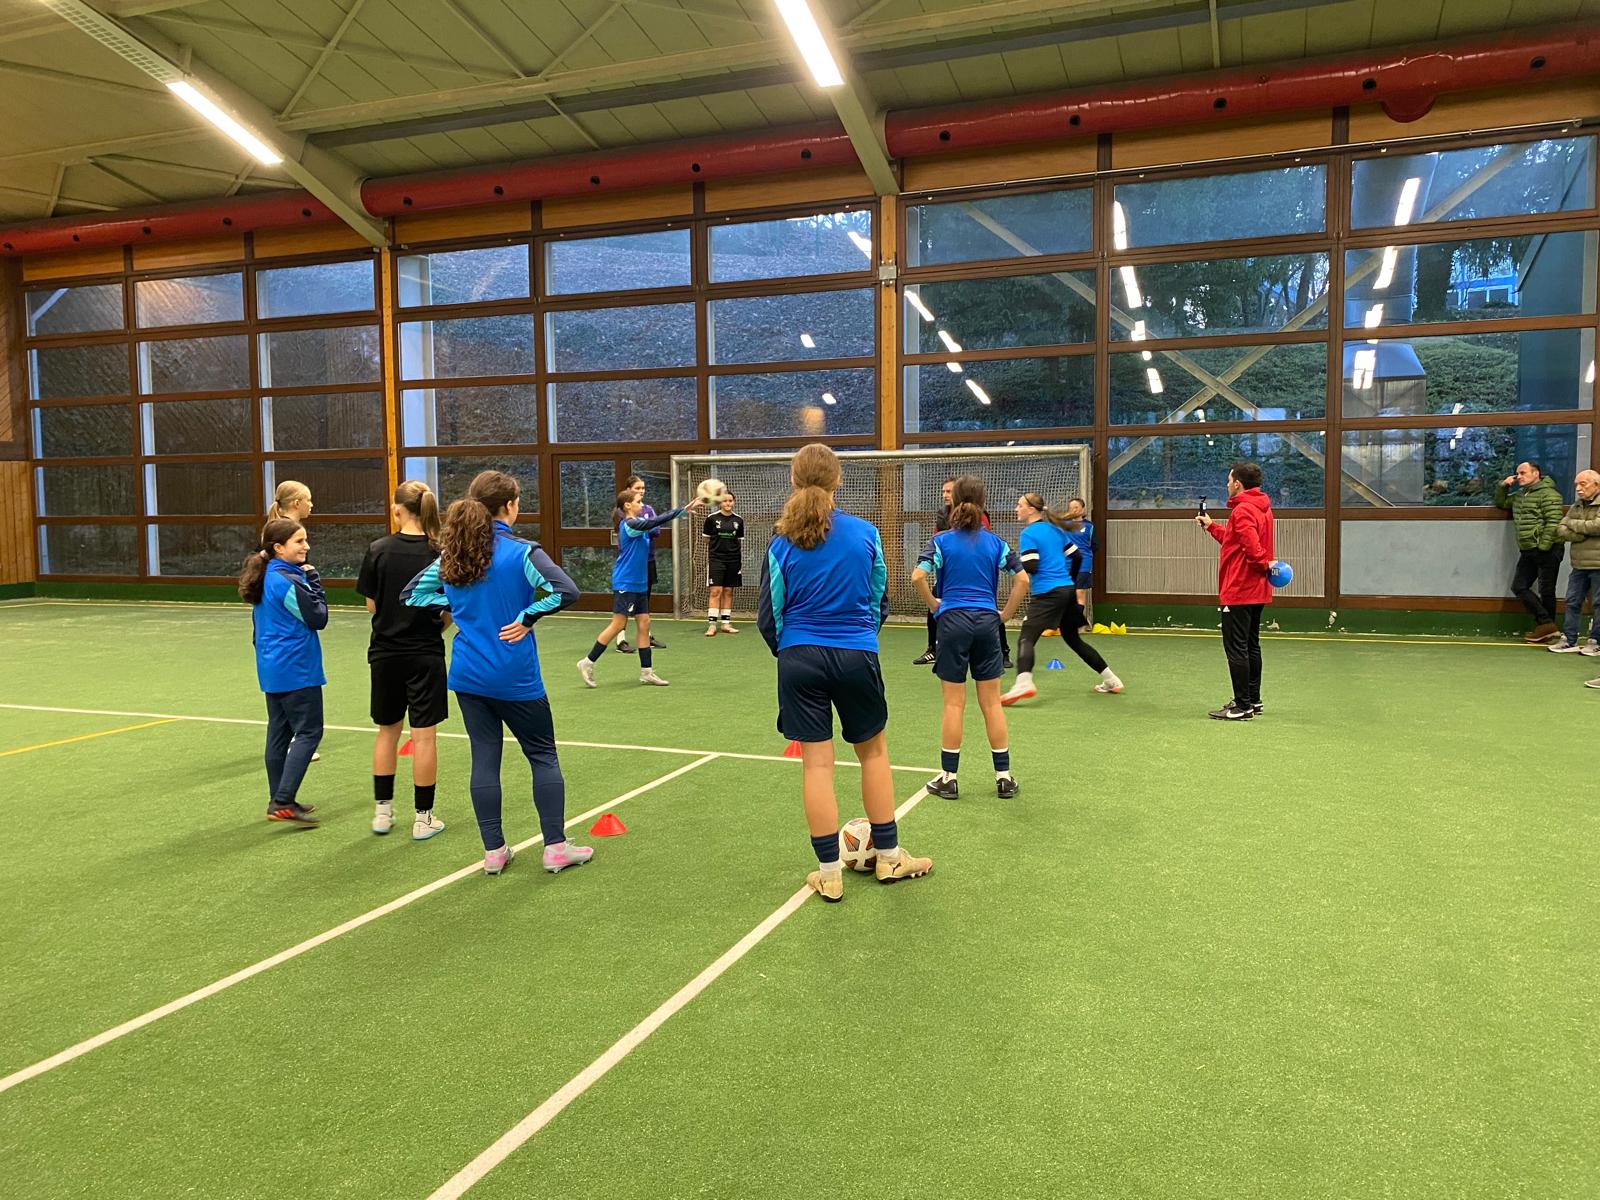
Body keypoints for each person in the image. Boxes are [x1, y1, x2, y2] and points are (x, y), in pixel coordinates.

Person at [758, 443, 931, 903]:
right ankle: (890, 857)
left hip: (799, 658)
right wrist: (860, 640)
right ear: (838, 481)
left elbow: (769, 615)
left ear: (794, 480)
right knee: (873, 755)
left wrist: (790, 654)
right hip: (856, 654)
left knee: (817, 764)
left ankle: (829, 875)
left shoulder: (779, 542)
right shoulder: (866, 534)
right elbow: (879, 600)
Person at [402, 471, 589, 877]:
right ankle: (555, 848)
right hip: (515, 676)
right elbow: (566, 591)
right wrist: (527, 616)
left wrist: (457, 606)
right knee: (542, 755)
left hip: (468, 676)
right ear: (509, 506)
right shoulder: (522, 553)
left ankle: (494, 852)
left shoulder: (454, 553)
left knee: (484, 757)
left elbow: (412, 595)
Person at [913, 475, 1028, 800]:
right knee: (991, 703)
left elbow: (918, 576)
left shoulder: (940, 541)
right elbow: (1022, 580)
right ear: (982, 503)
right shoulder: (996, 543)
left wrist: (935, 605)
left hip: (952, 623)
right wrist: (1005, 615)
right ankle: (1004, 778)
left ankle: (948, 779)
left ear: (954, 501)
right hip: (987, 623)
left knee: (954, 703)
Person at [356, 481, 449, 840]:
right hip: (426, 654)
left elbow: (372, 606)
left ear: (397, 510)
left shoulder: (378, 550)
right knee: (424, 737)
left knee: (387, 733)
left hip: (385, 654)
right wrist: (432, 628)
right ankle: (423, 819)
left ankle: (382, 812)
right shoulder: (441, 554)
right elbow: (450, 608)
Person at [238, 518, 326, 826]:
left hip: (272, 667)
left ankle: (277, 798)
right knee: (310, 731)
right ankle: (283, 800)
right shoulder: (286, 581)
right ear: (278, 548)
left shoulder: (265, 577)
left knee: (279, 732)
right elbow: (318, 617)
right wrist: (314, 580)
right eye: (299, 541)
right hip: (296, 669)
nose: (306, 546)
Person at [1002, 493, 1124, 705]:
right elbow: (1077, 556)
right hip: (1067, 590)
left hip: (1047, 593)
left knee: (1026, 637)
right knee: (1073, 639)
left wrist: (1012, 563)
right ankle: (1111, 679)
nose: (1016, 509)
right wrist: (1071, 581)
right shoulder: (1055, 530)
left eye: (1019, 505)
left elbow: (1031, 566)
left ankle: (1023, 683)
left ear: (1031, 509)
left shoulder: (1029, 533)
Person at [579, 489, 702, 687]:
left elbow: (654, 526)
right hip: (626, 583)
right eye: (638, 501)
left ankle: (647, 672)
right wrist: (681, 510)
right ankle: (587, 662)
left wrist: (681, 512)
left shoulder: (638, 524)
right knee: (618, 624)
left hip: (640, 583)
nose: (642, 504)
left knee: (644, 623)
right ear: (627, 505)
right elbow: (654, 522)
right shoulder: (629, 525)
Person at [1196, 461, 1279, 721]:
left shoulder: (1243, 510)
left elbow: (1253, 550)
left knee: (1236, 648)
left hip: (1240, 588)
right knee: (1251, 645)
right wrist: (1212, 526)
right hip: (1257, 589)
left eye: (1229, 480)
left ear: (1237, 484)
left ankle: (1242, 706)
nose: (1227, 484)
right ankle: (1252, 700)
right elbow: (1236, 542)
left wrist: (1264, 563)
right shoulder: (1262, 508)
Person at [914, 477, 1012, 669]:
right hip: (951, 577)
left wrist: (1006, 615)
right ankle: (933, 648)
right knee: (935, 601)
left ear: (960, 494)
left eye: (949, 491)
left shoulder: (981, 520)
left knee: (989, 609)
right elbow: (1022, 579)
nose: (945, 495)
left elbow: (980, 545)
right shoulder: (943, 516)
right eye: (943, 491)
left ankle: (1003, 651)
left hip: (976, 578)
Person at [265, 479, 320, 761]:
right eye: (308, 500)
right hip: (286, 640)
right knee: (297, 719)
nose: (311, 505)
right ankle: (298, 743)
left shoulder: (290, 534)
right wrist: (313, 586)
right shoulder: (283, 535)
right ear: (297, 503)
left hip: (279, 640)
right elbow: (316, 615)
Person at [1496, 461, 1567, 644]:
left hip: (1549, 548)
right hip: (1528, 548)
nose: (1519, 477)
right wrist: (1504, 486)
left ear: (1536, 474)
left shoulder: (1550, 494)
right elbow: (1502, 502)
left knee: (1546, 590)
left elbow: (1553, 522)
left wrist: (1543, 546)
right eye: (1517, 474)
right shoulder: (1520, 496)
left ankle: (1546, 628)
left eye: (1523, 473)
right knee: (1519, 586)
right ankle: (1547, 625)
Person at [1551, 468, 1600, 657]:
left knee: (1598, 604)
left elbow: (1597, 526)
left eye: (1583, 484)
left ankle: (1596, 641)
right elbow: (1561, 529)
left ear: (1596, 485)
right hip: (1578, 565)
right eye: (1576, 485)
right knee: (1572, 601)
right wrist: (1581, 533)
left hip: (1598, 564)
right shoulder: (1577, 505)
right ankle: (1569, 640)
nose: (1578, 488)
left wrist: (1573, 525)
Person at [616, 475, 667, 654]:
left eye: (643, 488)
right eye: (637, 488)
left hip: (648, 559)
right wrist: (646, 526)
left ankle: (647, 636)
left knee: (644, 600)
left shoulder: (648, 509)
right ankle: (620, 640)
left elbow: (656, 531)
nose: (641, 491)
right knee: (624, 606)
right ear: (628, 490)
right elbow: (632, 530)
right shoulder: (622, 512)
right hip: (631, 564)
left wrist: (647, 526)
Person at [703, 489, 745, 636]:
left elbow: (738, 541)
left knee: (728, 591)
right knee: (716, 591)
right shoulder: (711, 519)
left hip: (733, 560)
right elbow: (706, 539)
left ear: (733, 502)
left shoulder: (738, 520)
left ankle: (726, 624)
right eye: (724, 501)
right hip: (716, 559)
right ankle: (712, 625)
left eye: (730, 501)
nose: (727, 503)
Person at [1064, 496, 1094, 632]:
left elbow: (1094, 545)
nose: (1073, 510)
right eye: (1071, 508)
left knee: (1079, 592)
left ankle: (1076, 625)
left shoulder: (1089, 526)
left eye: (1076, 507)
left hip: (1083, 563)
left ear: (1082, 509)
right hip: (1066, 563)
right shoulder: (1064, 525)